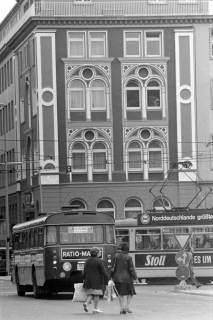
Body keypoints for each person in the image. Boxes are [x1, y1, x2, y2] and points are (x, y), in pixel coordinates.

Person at [111, 242, 137, 314]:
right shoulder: (128, 257)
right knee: (130, 293)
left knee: (120, 294)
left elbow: (112, 267)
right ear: (127, 249)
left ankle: (122, 308)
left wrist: (111, 276)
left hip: (117, 278)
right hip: (127, 278)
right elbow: (131, 268)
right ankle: (127, 307)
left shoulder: (116, 256)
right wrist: (135, 277)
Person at [82, 247, 109, 314]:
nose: (100, 253)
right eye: (99, 252)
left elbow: (84, 271)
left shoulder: (87, 260)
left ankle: (86, 303)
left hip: (88, 280)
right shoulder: (98, 261)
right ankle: (95, 308)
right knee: (96, 294)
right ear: (96, 253)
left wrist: (83, 278)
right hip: (96, 281)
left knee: (91, 293)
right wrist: (107, 278)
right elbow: (103, 271)